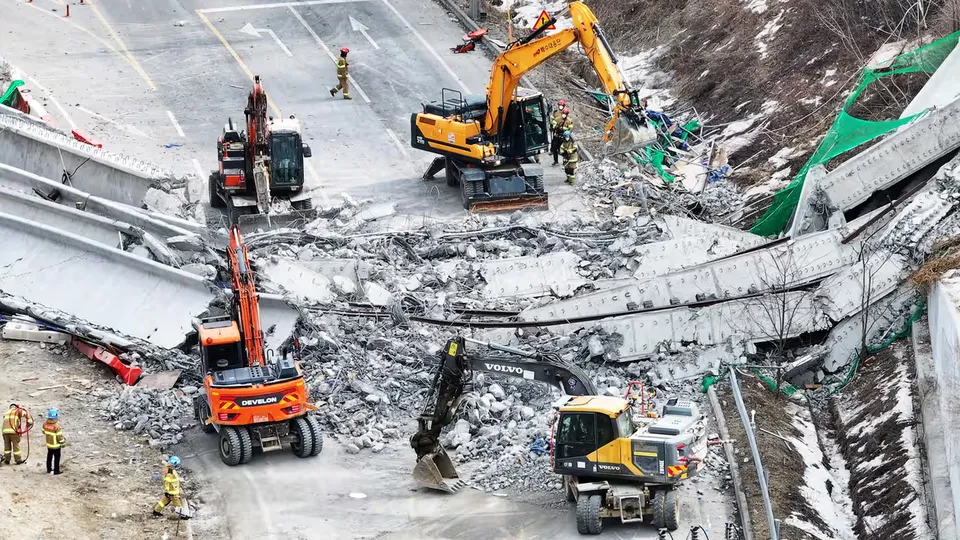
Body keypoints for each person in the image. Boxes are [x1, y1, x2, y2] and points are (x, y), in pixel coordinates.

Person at [42, 408, 66, 475]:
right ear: (55, 418)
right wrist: (63, 443)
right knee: (57, 458)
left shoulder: (45, 424)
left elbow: (43, 432)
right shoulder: (57, 426)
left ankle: (48, 469)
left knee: (49, 456)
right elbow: (59, 437)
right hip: (56, 446)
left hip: (49, 444)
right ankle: (56, 470)